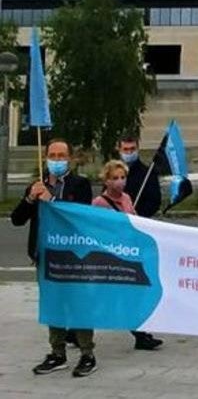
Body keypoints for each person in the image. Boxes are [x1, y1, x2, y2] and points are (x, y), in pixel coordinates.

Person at [11, 139, 97, 377]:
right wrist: (30, 198)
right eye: (52, 155)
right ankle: (57, 352)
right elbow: (17, 219)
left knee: (78, 304)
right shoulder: (37, 185)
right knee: (53, 304)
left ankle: (87, 353)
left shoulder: (79, 184)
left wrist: (51, 200)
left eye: (61, 155)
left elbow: (80, 217)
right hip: (46, 257)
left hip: (73, 257)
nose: (56, 160)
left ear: (69, 159)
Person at [93, 160, 164, 350]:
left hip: (127, 255)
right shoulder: (100, 203)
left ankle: (140, 335)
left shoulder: (126, 198)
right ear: (106, 181)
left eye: (122, 177)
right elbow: (97, 230)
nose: (120, 181)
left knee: (129, 295)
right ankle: (76, 330)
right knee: (103, 297)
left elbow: (133, 219)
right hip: (110, 257)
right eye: (115, 178)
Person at [118, 136, 162, 218]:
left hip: (139, 221)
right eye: (126, 149)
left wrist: (138, 215)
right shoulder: (113, 172)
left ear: (137, 149)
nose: (129, 152)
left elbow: (155, 202)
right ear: (120, 150)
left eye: (132, 149)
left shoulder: (148, 174)